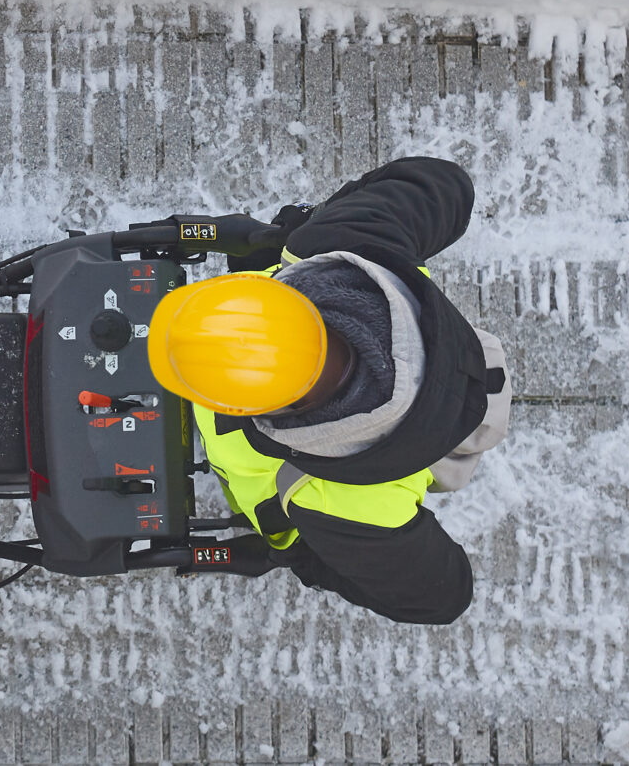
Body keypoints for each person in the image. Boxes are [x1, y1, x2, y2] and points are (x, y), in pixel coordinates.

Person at [145, 157, 511, 625]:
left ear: (247, 409)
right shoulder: (336, 246)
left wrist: (303, 556)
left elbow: (444, 597)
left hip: (415, 441)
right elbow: (447, 185)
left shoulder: (343, 503)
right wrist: (303, 229)